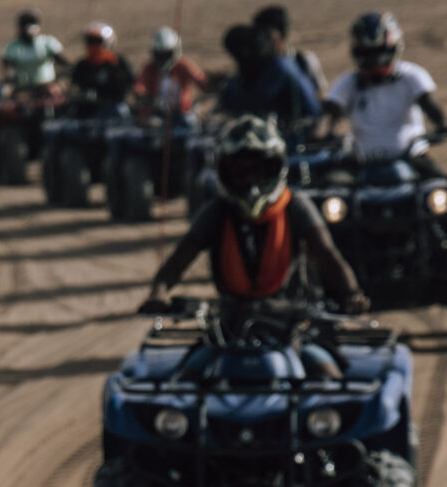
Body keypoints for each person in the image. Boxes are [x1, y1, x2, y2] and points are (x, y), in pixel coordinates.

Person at [141, 116, 369, 377]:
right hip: (230, 328)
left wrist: (352, 293)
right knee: (184, 384)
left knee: (329, 380)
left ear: (276, 169)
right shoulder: (217, 211)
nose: (251, 181)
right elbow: (177, 262)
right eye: (241, 171)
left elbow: (329, 256)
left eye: (260, 171)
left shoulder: (296, 206)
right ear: (225, 172)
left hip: (292, 326)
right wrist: (157, 294)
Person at [325, 11, 447, 168]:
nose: (375, 60)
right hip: (362, 165)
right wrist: (323, 134)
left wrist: (443, 125)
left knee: (437, 186)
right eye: (369, 55)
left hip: (412, 159)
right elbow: (330, 114)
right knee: (333, 185)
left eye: (381, 53)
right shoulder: (348, 83)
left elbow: (429, 104)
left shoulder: (411, 76)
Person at [214, 21, 321, 129]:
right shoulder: (278, 63)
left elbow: (254, 102)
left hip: (305, 129)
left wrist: (224, 88)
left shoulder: (278, 67)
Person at [132, 25, 209, 118]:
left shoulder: (183, 65)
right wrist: (141, 95)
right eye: (159, 55)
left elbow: (200, 80)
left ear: (175, 51)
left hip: (182, 112)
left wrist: (210, 84)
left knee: (190, 123)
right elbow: (140, 85)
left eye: (167, 54)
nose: (163, 59)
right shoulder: (149, 68)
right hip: (157, 113)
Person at [252, 4, 326, 99]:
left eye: (265, 34)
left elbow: (320, 95)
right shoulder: (256, 65)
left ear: (279, 34)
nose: (260, 39)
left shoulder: (305, 60)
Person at [66, 21, 133, 113]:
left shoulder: (117, 63)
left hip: (112, 106)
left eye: (96, 42)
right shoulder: (82, 65)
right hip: (87, 109)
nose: (93, 46)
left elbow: (127, 83)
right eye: (90, 41)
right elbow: (75, 85)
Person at [0, 10, 62, 89]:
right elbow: (6, 69)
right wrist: (8, 79)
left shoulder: (47, 43)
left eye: (33, 24)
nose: (30, 28)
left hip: (47, 86)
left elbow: (60, 60)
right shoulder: (12, 47)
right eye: (26, 24)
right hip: (23, 89)